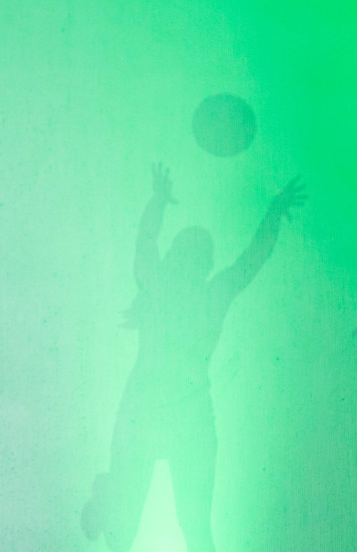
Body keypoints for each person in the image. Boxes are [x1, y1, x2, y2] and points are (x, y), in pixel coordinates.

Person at [82, 166, 304, 552]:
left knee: (149, 528)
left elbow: (147, 243)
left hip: (153, 412)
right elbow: (249, 261)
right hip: (181, 415)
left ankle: (109, 494)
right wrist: (272, 213)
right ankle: (110, 495)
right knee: (187, 527)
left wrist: (158, 203)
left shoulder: (162, 287)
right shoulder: (205, 296)